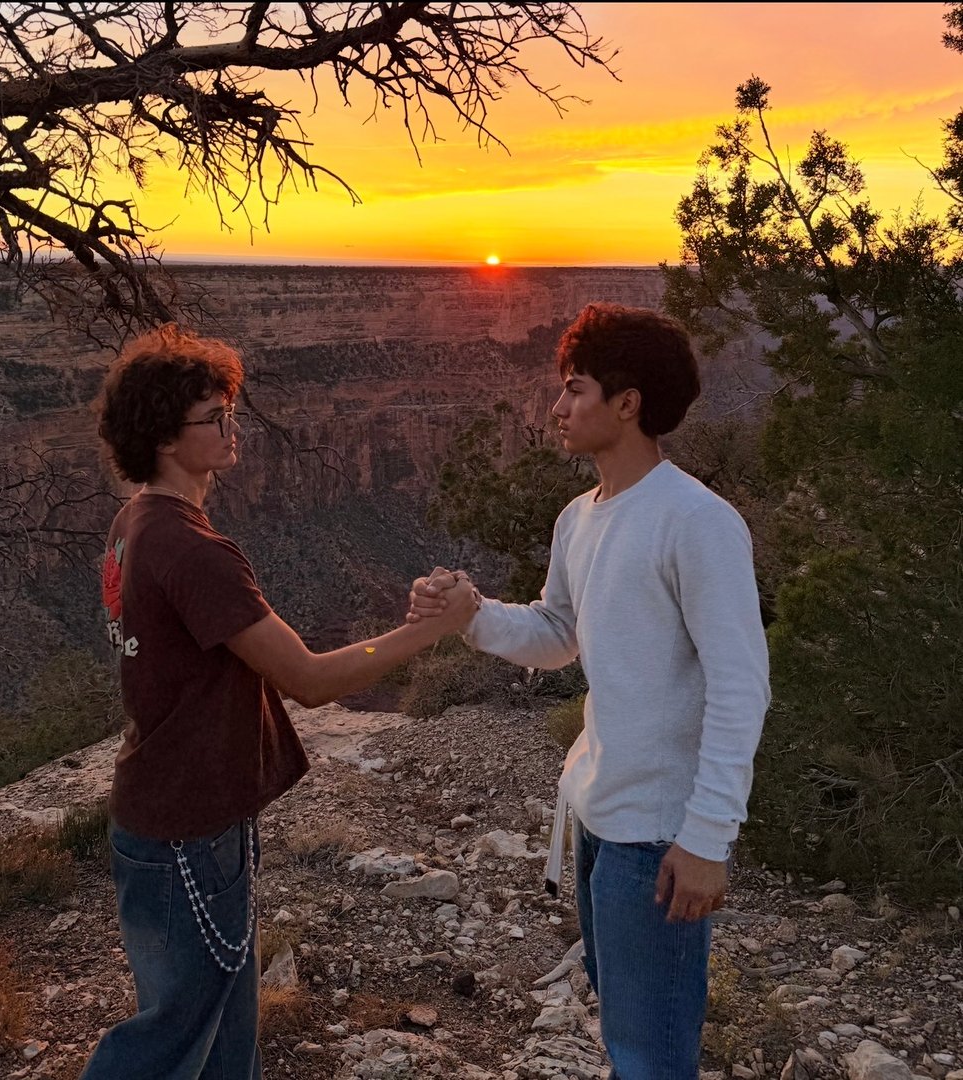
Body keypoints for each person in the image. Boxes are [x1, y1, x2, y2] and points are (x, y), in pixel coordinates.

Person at [82, 324, 478, 1080]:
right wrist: (428, 630)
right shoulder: (196, 553)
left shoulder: (136, 521)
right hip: (186, 826)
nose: (233, 430)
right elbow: (309, 679)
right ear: (166, 437)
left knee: (227, 1036)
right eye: (214, 418)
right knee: (166, 1042)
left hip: (172, 811)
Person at [409, 303, 770, 1080]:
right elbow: (558, 632)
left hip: (660, 835)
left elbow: (741, 686)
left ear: (628, 402)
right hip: (599, 820)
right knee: (625, 1033)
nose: (556, 407)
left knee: (650, 1055)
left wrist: (706, 838)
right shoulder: (578, 518)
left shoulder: (695, 522)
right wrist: (471, 615)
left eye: (574, 389)